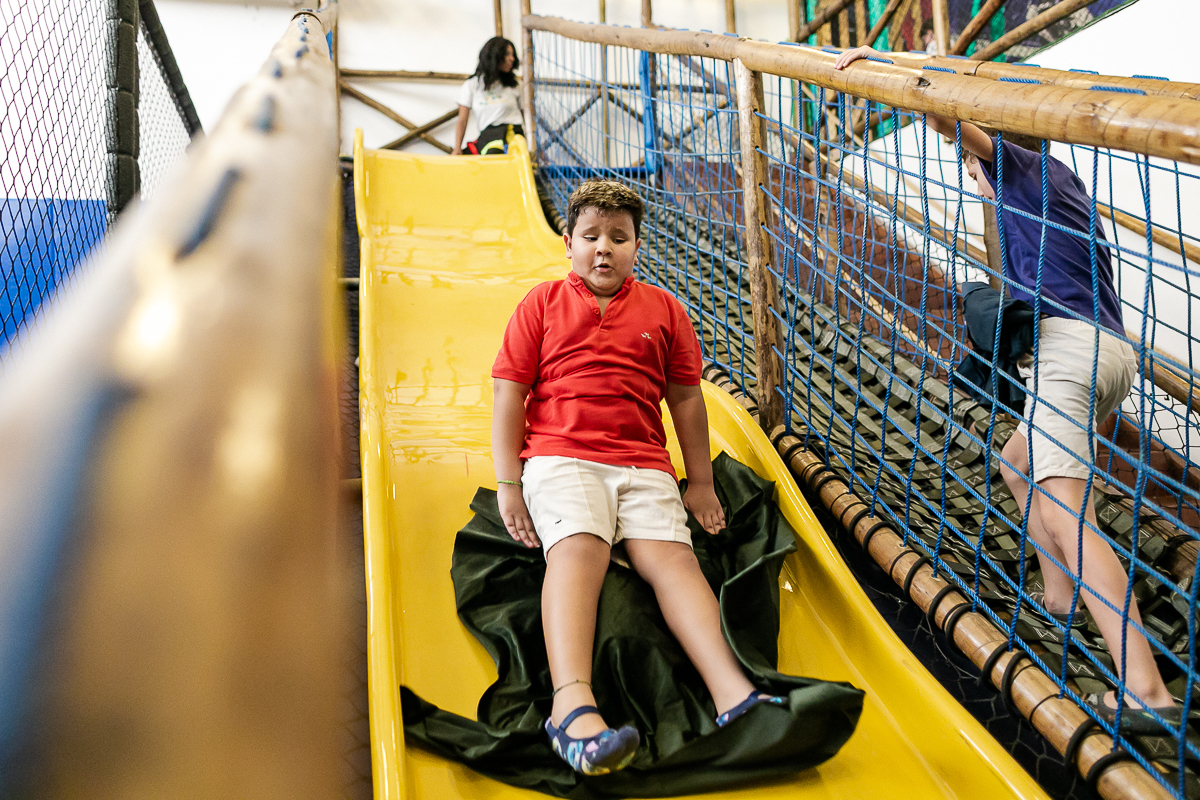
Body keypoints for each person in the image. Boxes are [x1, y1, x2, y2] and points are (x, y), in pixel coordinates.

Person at [835, 45, 1183, 734]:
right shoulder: (1062, 182)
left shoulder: (1018, 168)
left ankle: (1145, 687)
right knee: (1018, 463)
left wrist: (885, 63)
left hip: (1068, 352)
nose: (974, 176)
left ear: (996, 142)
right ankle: (1059, 596)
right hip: (1111, 355)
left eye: (975, 165)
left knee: (1065, 503)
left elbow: (942, 119)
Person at [491, 180, 785, 775]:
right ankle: (571, 709)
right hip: (561, 455)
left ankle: (732, 694)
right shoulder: (542, 303)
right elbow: (509, 392)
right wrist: (508, 483)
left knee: (675, 561)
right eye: (592, 237)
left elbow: (686, 401)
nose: (605, 249)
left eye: (619, 238)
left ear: (637, 246)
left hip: (643, 463)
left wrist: (698, 481)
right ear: (568, 243)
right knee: (578, 550)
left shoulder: (664, 309)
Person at [453, 37, 525, 156]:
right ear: (494, 56)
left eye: (513, 55)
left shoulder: (515, 85)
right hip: (487, 135)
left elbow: (528, 117)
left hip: (512, 132)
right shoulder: (472, 85)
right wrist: (457, 148)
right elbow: (462, 120)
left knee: (494, 151)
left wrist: (536, 146)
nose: (511, 59)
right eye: (507, 54)